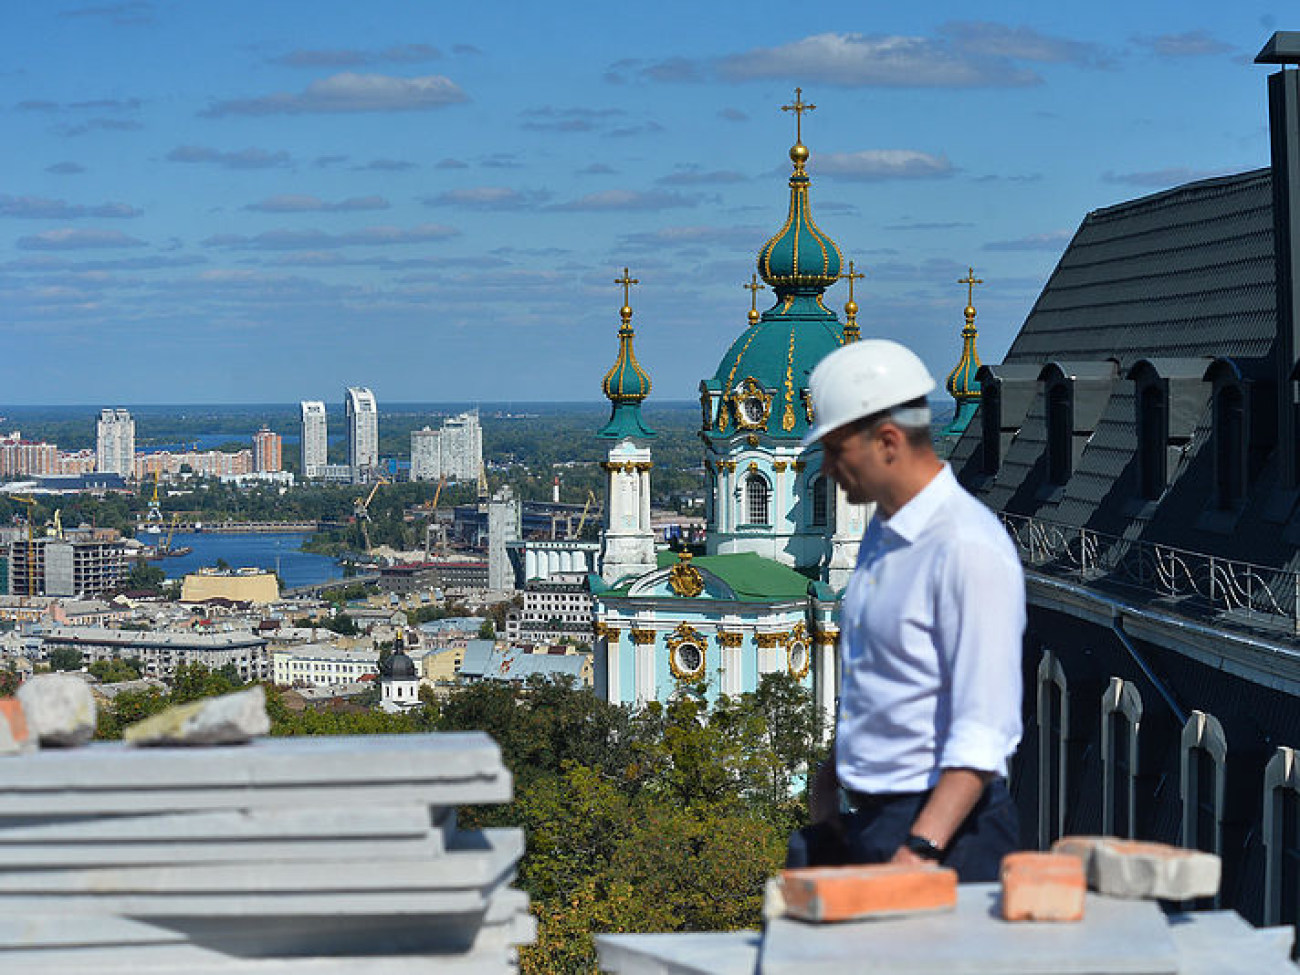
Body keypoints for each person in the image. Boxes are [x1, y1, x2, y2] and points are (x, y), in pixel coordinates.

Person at [787, 339, 1025, 882]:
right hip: (870, 820)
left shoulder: (965, 547)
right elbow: (883, 680)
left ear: (888, 441)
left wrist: (919, 850)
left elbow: (984, 728)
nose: (827, 469)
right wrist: (829, 789)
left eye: (837, 451)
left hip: (946, 836)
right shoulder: (882, 534)